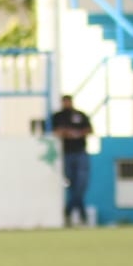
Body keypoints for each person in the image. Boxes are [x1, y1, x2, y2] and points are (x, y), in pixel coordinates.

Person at [51, 94, 94, 227]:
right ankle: (81, 215)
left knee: (80, 185)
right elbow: (57, 131)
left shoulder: (80, 115)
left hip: (81, 153)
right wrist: (69, 133)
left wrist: (77, 134)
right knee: (71, 184)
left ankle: (69, 211)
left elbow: (89, 130)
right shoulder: (58, 116)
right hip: (67, 154)